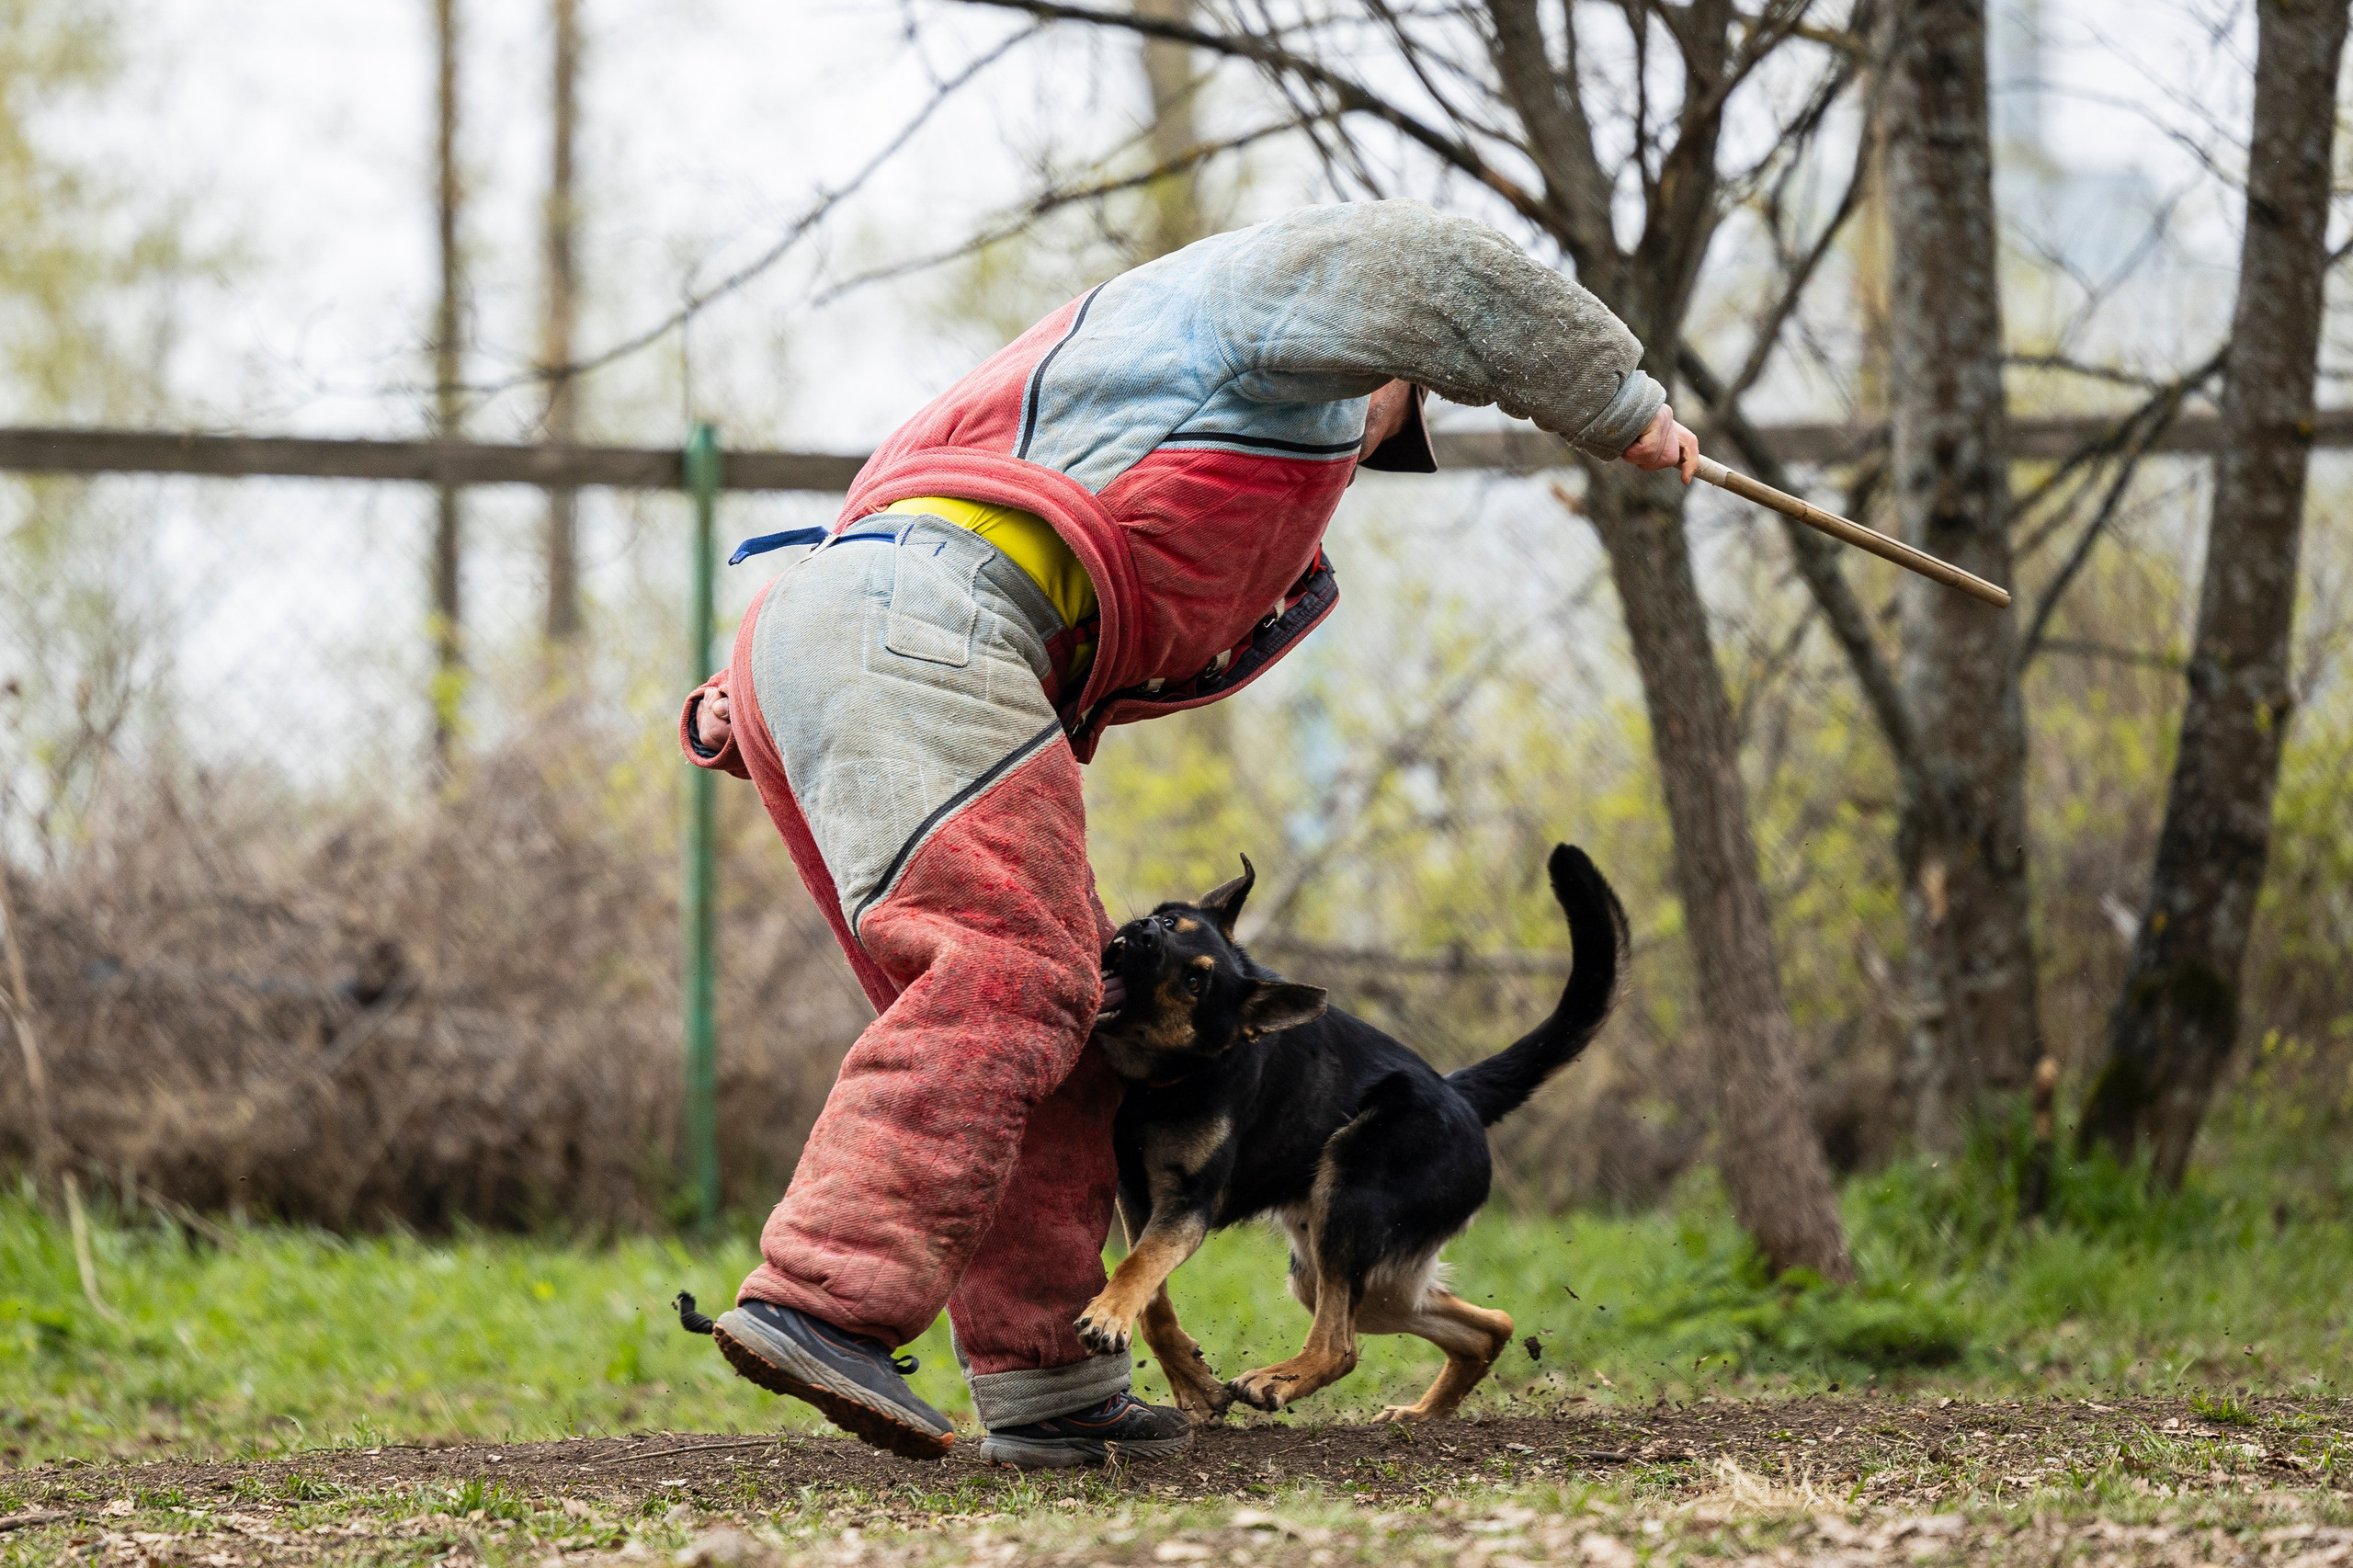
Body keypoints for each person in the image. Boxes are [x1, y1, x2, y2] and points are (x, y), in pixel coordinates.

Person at [680, 199, 1698, 1469]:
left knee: (1064, 1028)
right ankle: (819, 1298)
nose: (1387, 424)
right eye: (1406, 401)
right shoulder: (1250, 306)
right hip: (930, 634)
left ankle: (1050, 1383)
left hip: (830, 630)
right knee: (1023, 975)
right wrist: (1618, 404)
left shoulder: (1113, 361)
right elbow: (1435, 266)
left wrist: (781, 685)